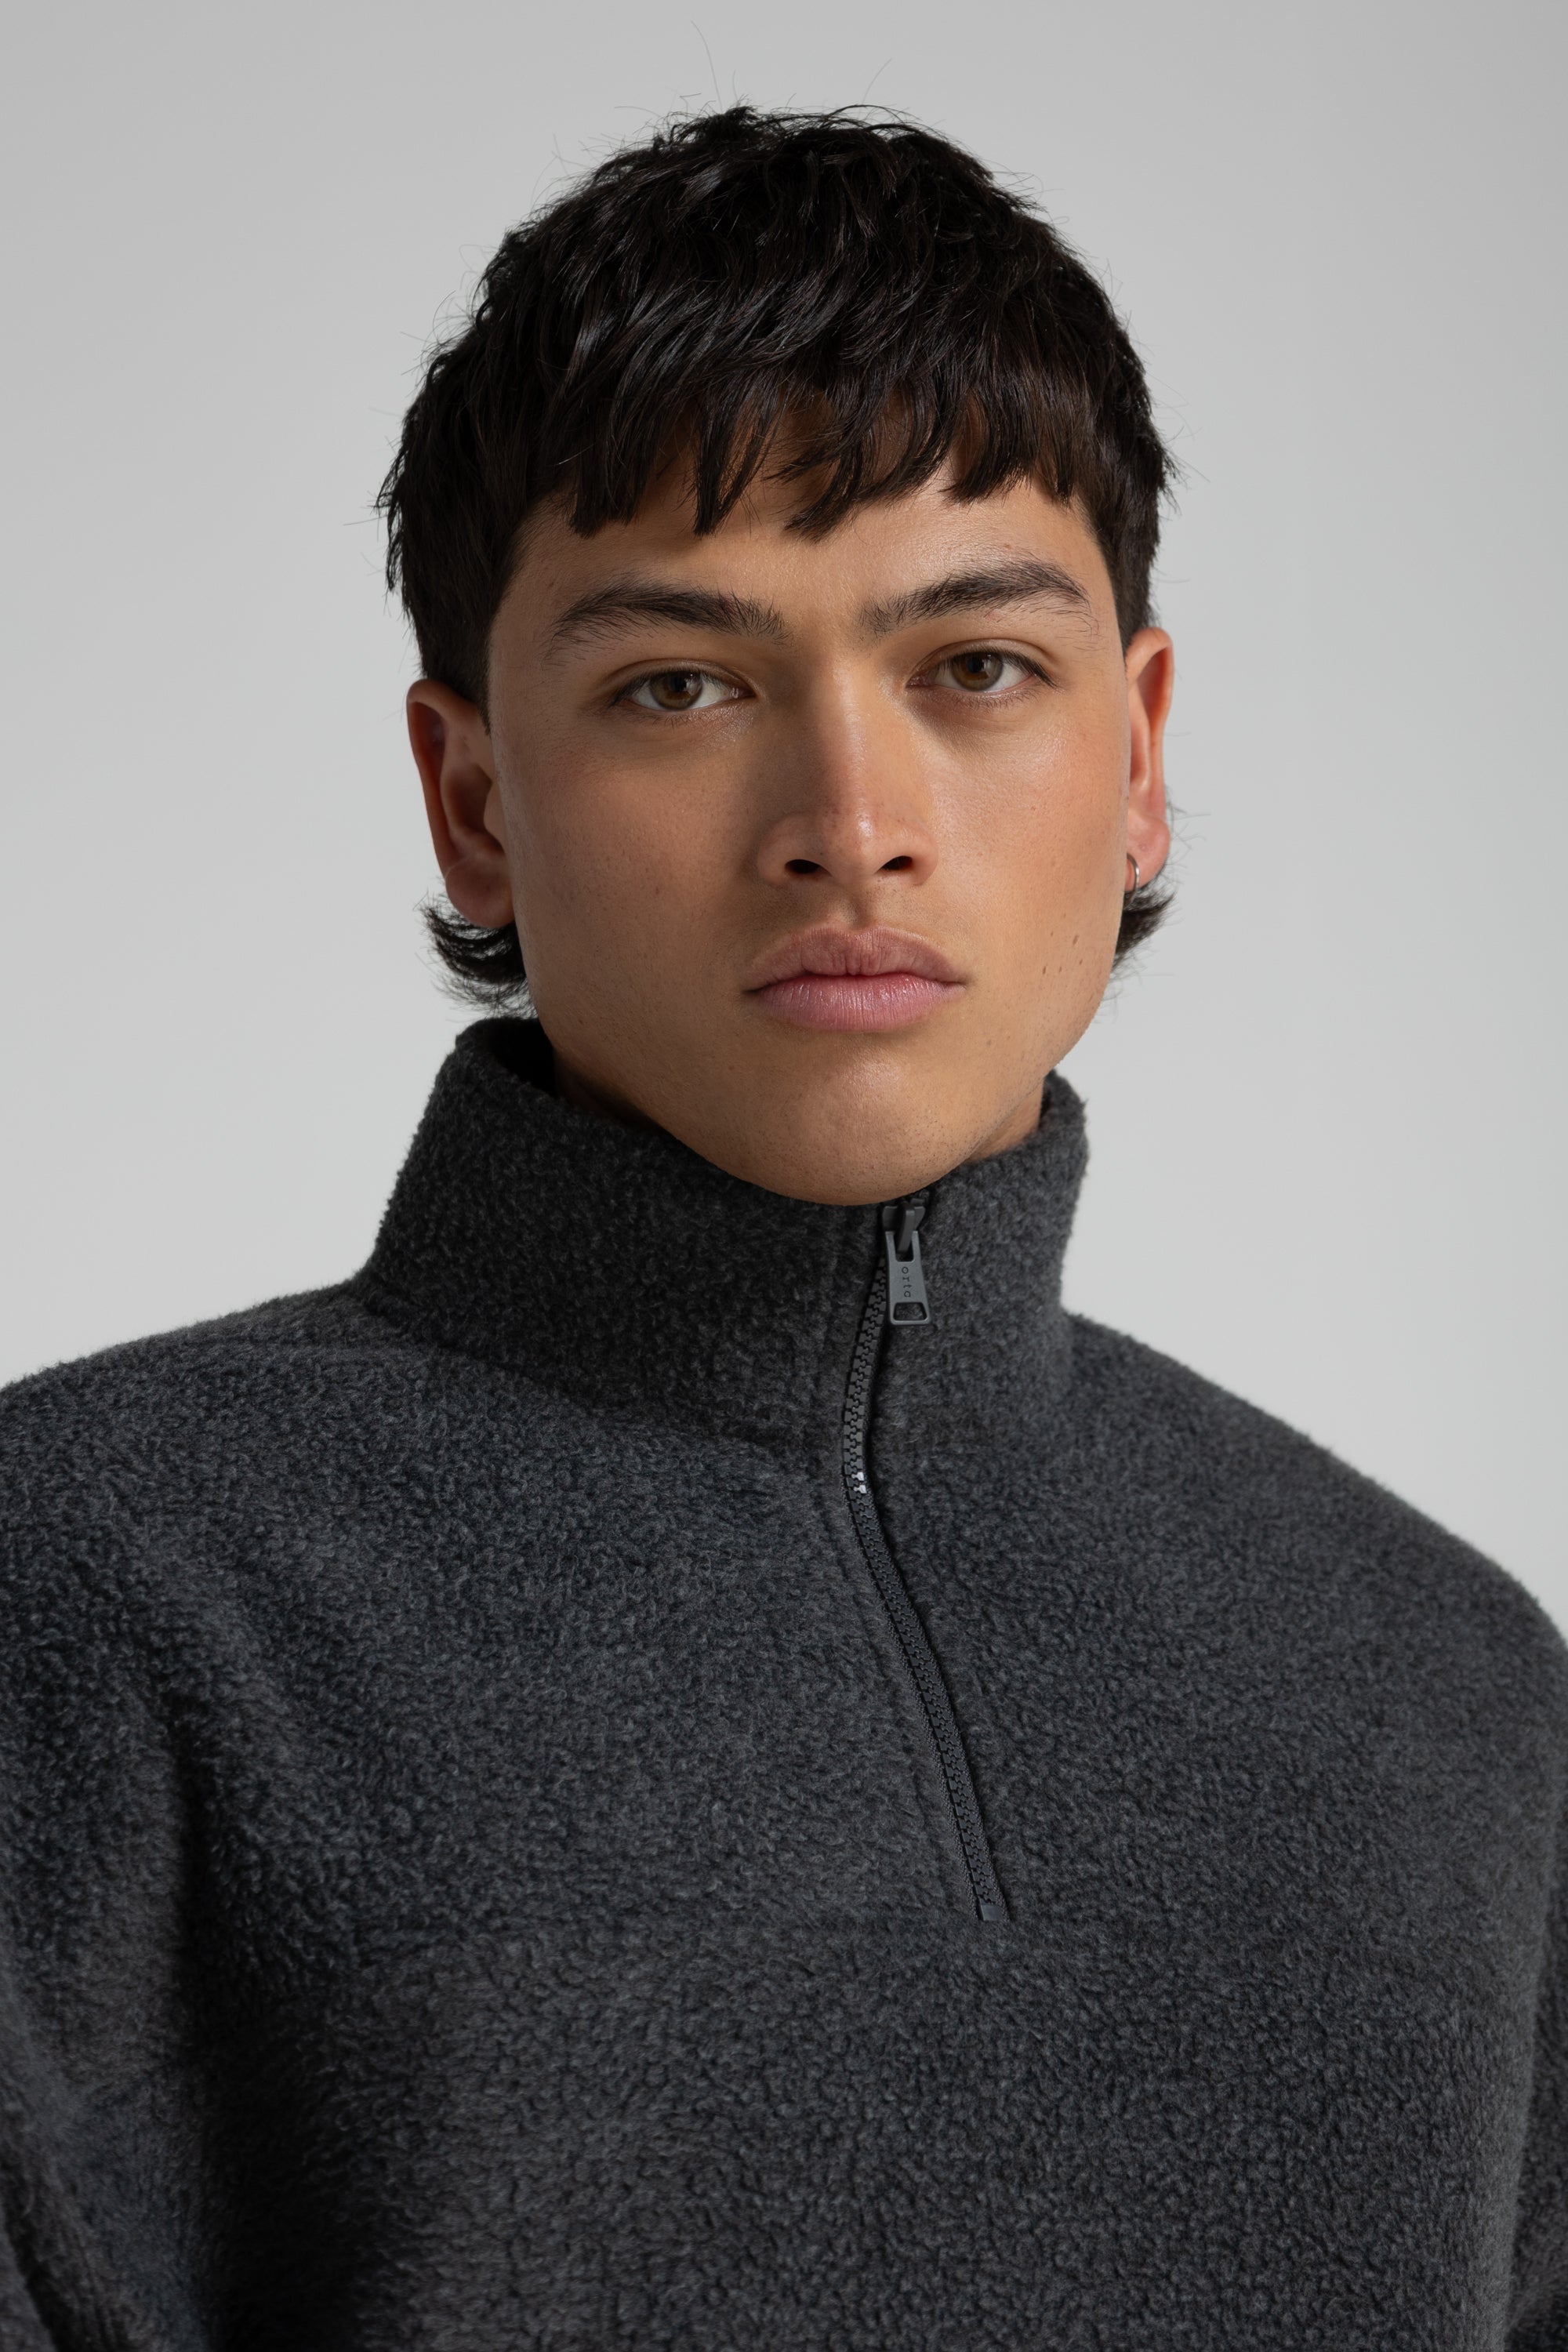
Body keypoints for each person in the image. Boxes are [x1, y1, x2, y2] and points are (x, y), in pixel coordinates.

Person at [1, 104, 1562, 2351]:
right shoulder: (88, 1593)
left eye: (976, 669)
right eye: (682, 686)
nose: (850, 822)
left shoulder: (1460, 1698)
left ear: (1136, 758)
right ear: (473, 797)